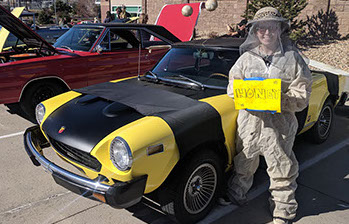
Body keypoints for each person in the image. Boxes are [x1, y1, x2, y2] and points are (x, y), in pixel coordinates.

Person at [222, 7, 312, 224]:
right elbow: (231, 85)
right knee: (245, 159)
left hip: (278, 124)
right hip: (250, 121)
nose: (267, 32)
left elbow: (303, 92)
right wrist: (241, 91)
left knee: (281, 165)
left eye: (272, 27)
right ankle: (237, 192)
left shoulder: (293, 59)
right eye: (262, 27)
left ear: (280, 29)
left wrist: (282, 99)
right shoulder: (247, 59)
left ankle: (283, 209)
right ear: (256, 31)